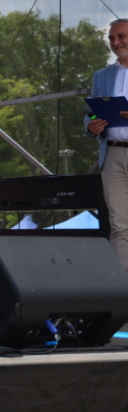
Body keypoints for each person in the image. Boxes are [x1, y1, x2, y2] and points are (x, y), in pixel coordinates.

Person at [86, 18, 128, 272]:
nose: (116, 42)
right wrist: (90, 126)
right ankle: (122, 287)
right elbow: (90, 111)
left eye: (121, 36)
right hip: (112, 155)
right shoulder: (101, 76)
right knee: (119, 224)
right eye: (112, 38)